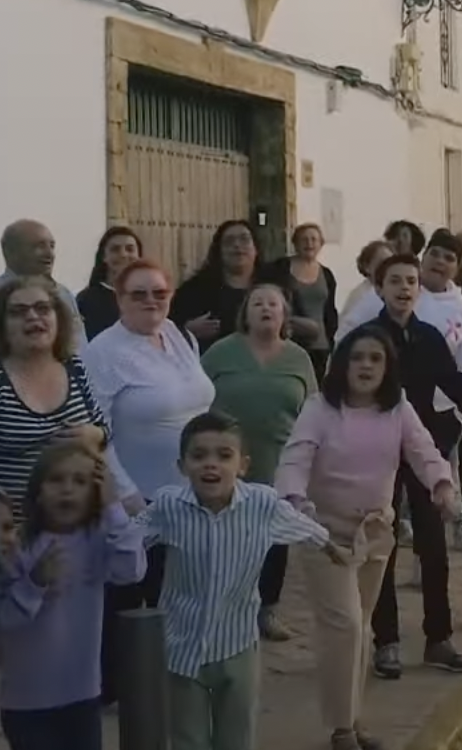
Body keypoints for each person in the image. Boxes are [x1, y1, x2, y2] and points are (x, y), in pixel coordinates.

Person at [278, 325, 458, 750]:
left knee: (358, 630)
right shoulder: (319, 408)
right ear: (343, 363)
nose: (365, 366)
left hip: (376, 532)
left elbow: (423, 450)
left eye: (375, 359)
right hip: (323, 534)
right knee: (346, 625)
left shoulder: (398, 409)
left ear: (388, 367)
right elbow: (296, 455)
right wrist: (293, 499)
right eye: (357, 357)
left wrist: (442, 486)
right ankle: (342, 730)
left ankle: (353, 720)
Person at [134, 412, 339, 750]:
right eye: (199, 456)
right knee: (188, 738)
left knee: (237, 735)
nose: (210, 465)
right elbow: (129, 540)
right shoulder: (169, 505)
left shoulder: (262, 504)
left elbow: (304, 527)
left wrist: (332, 547)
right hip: (180, 645)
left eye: (223, 456)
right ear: (182, 466)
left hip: (238, 643)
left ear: (242, 465)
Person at [81, 259, 216, 705]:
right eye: (138, 294)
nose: (151, 301)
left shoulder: (177, 336)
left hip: (190, 495)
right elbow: (95, 433)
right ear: (118, 299)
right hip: (137, 503)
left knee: (178, 595)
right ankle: (116, 692)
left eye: (159, 292)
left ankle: (167, 679)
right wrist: (126, 496)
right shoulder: (103, 353)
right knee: (128, 598)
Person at [366, 247, 462, 679]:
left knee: (433, 546)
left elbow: (456, 383)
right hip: (378, 453)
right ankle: (384, 641)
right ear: (379, 288)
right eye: (395, 281)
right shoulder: (367, 340)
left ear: (418, 289)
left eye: (410, 282)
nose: (404, 288)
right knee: (381, 545)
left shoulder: (428, 337)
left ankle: (437, 638)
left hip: (423, 449)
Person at [0, 440, 146, 750]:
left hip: (82, 695)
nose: (67, 489)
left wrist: (113, 507)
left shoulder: (99, 540)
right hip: (26, 701)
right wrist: (34, 583)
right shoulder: (19, 546)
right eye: (56, 479)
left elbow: (132, 570)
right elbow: (1, 619)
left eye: (80, 481)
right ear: (37, 490)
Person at [200, 284, 319, 642]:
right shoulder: (222, 352)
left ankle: (267, 609)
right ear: (246, 313)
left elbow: (313, 409)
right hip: (225, 462)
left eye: (274, 304)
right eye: (258, 303)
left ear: (285, 315)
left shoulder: (298, 358)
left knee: (272, 538)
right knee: (225, 537)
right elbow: (196, 396)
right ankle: (223, 610)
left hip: (278, 459)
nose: (266, 309)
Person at [0, 276, 129, 521]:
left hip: (84, 530)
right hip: (17, 537)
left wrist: (97, 435)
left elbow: (103, 427)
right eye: (18, 312)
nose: (33, 317)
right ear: (2, 326)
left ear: (58, 319)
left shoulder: (75, 368)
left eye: (43, 308)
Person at [0, 220, 82, 367]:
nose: (49, 254)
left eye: (52, 246)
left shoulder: (64, 295)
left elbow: (82, 354)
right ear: (9, 251)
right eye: (39, 246)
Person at [173, 220, 264, 354]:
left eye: (244, 239)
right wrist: (187, 331)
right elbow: (165, 330)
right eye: (229, 241)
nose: (237, 245)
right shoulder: (195, 289)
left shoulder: (274, 285)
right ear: (219, 250)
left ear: (256, 248)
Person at [265, 223, 339, 378]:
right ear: (295, 243)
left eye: (314, 239)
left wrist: (331, 342)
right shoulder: (280, 268)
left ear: (321, 244)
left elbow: (330, 311)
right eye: (304, 239)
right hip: (288, 341)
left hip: (319, 346)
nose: (309, 244)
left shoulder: (326, 274)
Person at [75, 227, 143, 340]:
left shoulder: (149, 296)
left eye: (130, 249)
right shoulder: (86, 300)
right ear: (104, 257)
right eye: (115, 249)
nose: (123, 254)